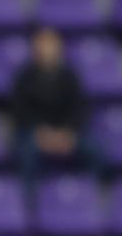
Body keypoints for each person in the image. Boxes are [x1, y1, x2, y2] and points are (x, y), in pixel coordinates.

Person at [11, 27, 107, 204]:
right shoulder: (23, 77)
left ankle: (94, 198)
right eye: (41, 44)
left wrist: (66, 133)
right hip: (35, 134)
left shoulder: (70, 77)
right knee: (26, 152)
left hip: (67, 133)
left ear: (59, 47)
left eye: (50, 44)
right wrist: (42, 134)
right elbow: (21, 112)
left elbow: (77, 109)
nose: (46, 48)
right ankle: (29, 203)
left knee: (95, 151)